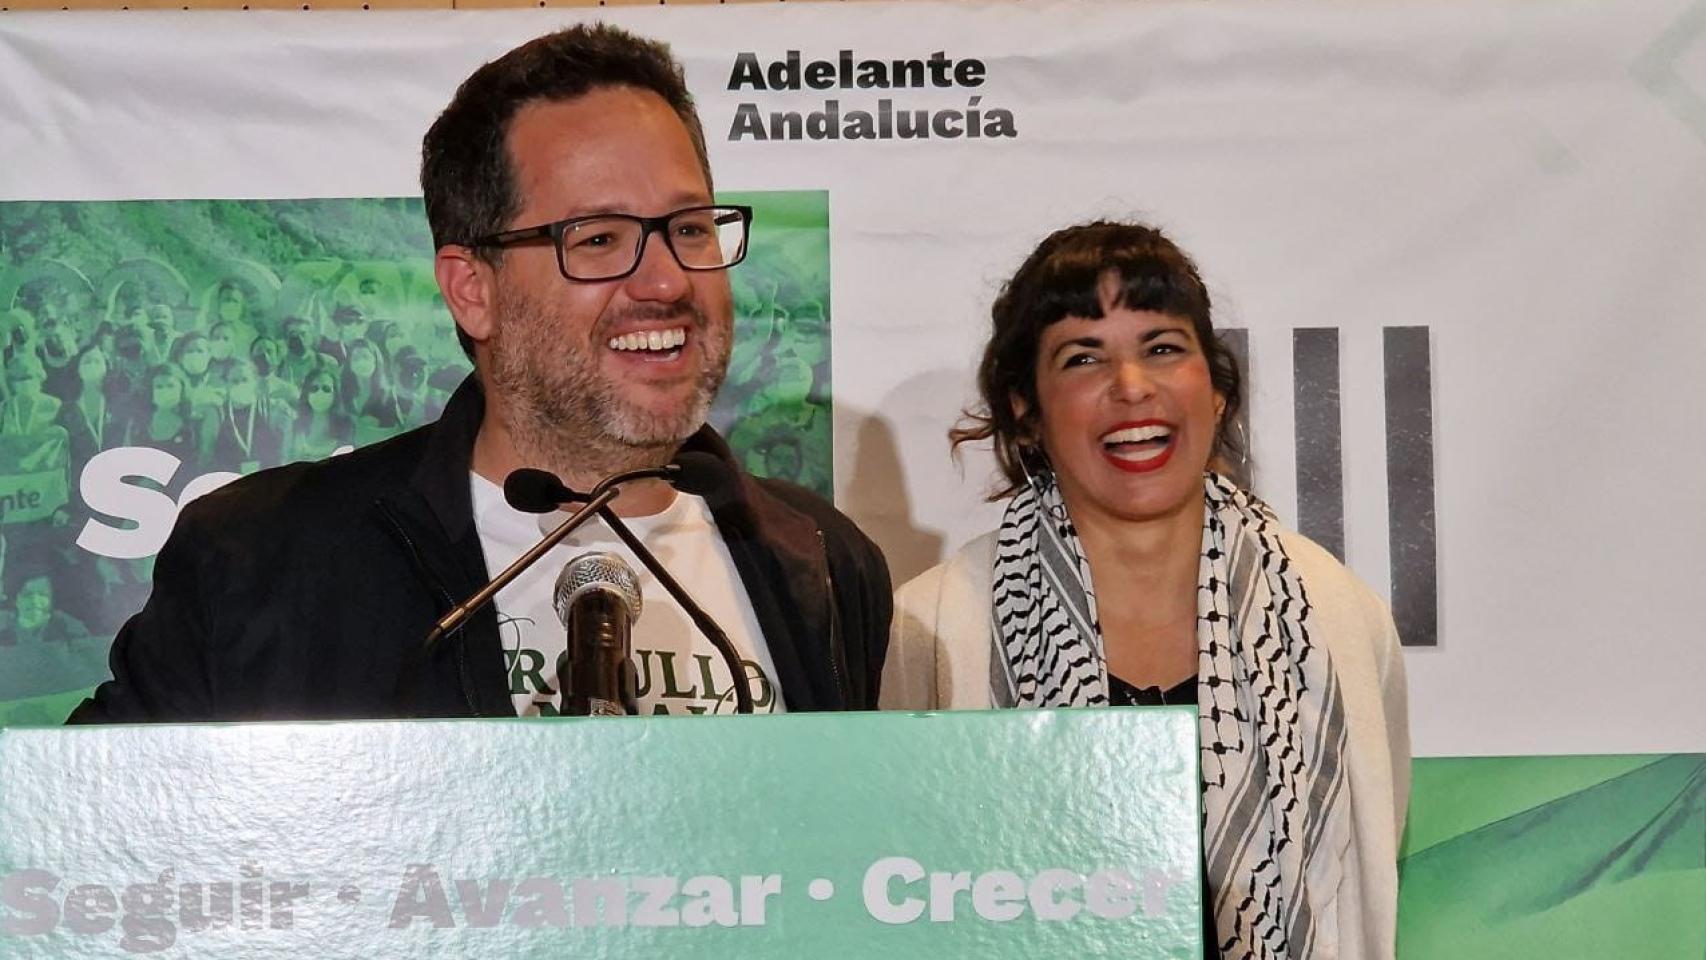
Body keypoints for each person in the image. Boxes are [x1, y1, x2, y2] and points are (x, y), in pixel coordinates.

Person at [71, 23, 890, 722]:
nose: (669, 280)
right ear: (473, 290)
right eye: (599, 239)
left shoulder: (824, 559)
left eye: (689, 227)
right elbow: (80, 848)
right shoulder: (260, 562)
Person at [881, 221, 1408, 959]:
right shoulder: (934, 626)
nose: (1132, 388)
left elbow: (1364, 876)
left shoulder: (1336, 616)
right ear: (1026, 409)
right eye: (1082, 357)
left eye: (1163, 348)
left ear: (1217, 390)